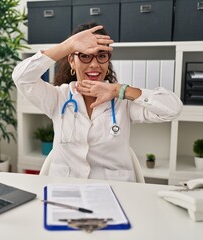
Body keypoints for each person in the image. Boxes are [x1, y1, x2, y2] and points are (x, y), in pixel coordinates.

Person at [13, 23, 183, 182]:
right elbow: (22, 77)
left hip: (115, 191)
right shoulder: (58, 98)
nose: (94, 64)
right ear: (72, 61)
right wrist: (69, 45)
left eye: (101, 56)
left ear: (108, 61)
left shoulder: (123, 102)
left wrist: (118, 90)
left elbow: (173, 109)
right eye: (85, 56)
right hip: (65, 188)